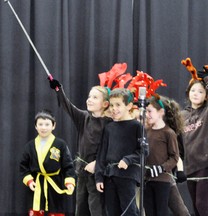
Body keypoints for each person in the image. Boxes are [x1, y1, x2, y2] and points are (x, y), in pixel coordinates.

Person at [49, 79, 112, 216]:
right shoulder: (84, 118)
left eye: (95, 97)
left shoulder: (110, 124)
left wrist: (97, 164)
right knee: (81, 207)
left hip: (99, 174)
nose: (89, 100)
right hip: (82, 171)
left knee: (97, 209)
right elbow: (68, 106)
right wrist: (58, 89)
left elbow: (112, 150)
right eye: (89, 96)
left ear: (105, 104)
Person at [181, 58, 208, 216]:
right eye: (193, 91)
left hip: (207, 161)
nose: (196, 94)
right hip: (191, 164)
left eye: (200, 91)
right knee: (195, 206)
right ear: (188, 93)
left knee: (201, 203)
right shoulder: (182, 115)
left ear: (206, 95)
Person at [19, 109, 75, 216]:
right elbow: (23, 166)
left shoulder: (60, 144)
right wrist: (29, 181)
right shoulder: (30, 146)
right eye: (40, 124)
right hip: (37, 183)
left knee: (55, 211)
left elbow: (68, 166)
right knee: (37, 210)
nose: (43, 127)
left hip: (55, 183)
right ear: (36, 126)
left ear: (53, 126)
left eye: (47, 124)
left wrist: (69, 182)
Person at [95, 88, 141, 216]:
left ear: (129, 106)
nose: (113, 108)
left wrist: (128, 159)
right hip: (109, 176)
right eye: (112, 105)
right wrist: (99, 177)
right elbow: (102, 154)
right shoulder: (109, 128)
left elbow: (143, 151)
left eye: (118, 105)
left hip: (127, 176)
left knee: (129, 211)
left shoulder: (136, 126)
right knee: (112, 211)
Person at [144, 95, 182, 216]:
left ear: (161, 112)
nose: (147, 114)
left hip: (162, 180)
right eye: (146, 111)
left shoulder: (168, 133)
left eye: (150, 111)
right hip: (147, 180)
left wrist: (161, 168)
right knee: (150, 211)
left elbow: (174, 157)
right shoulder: (146, 131)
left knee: (161, 211)